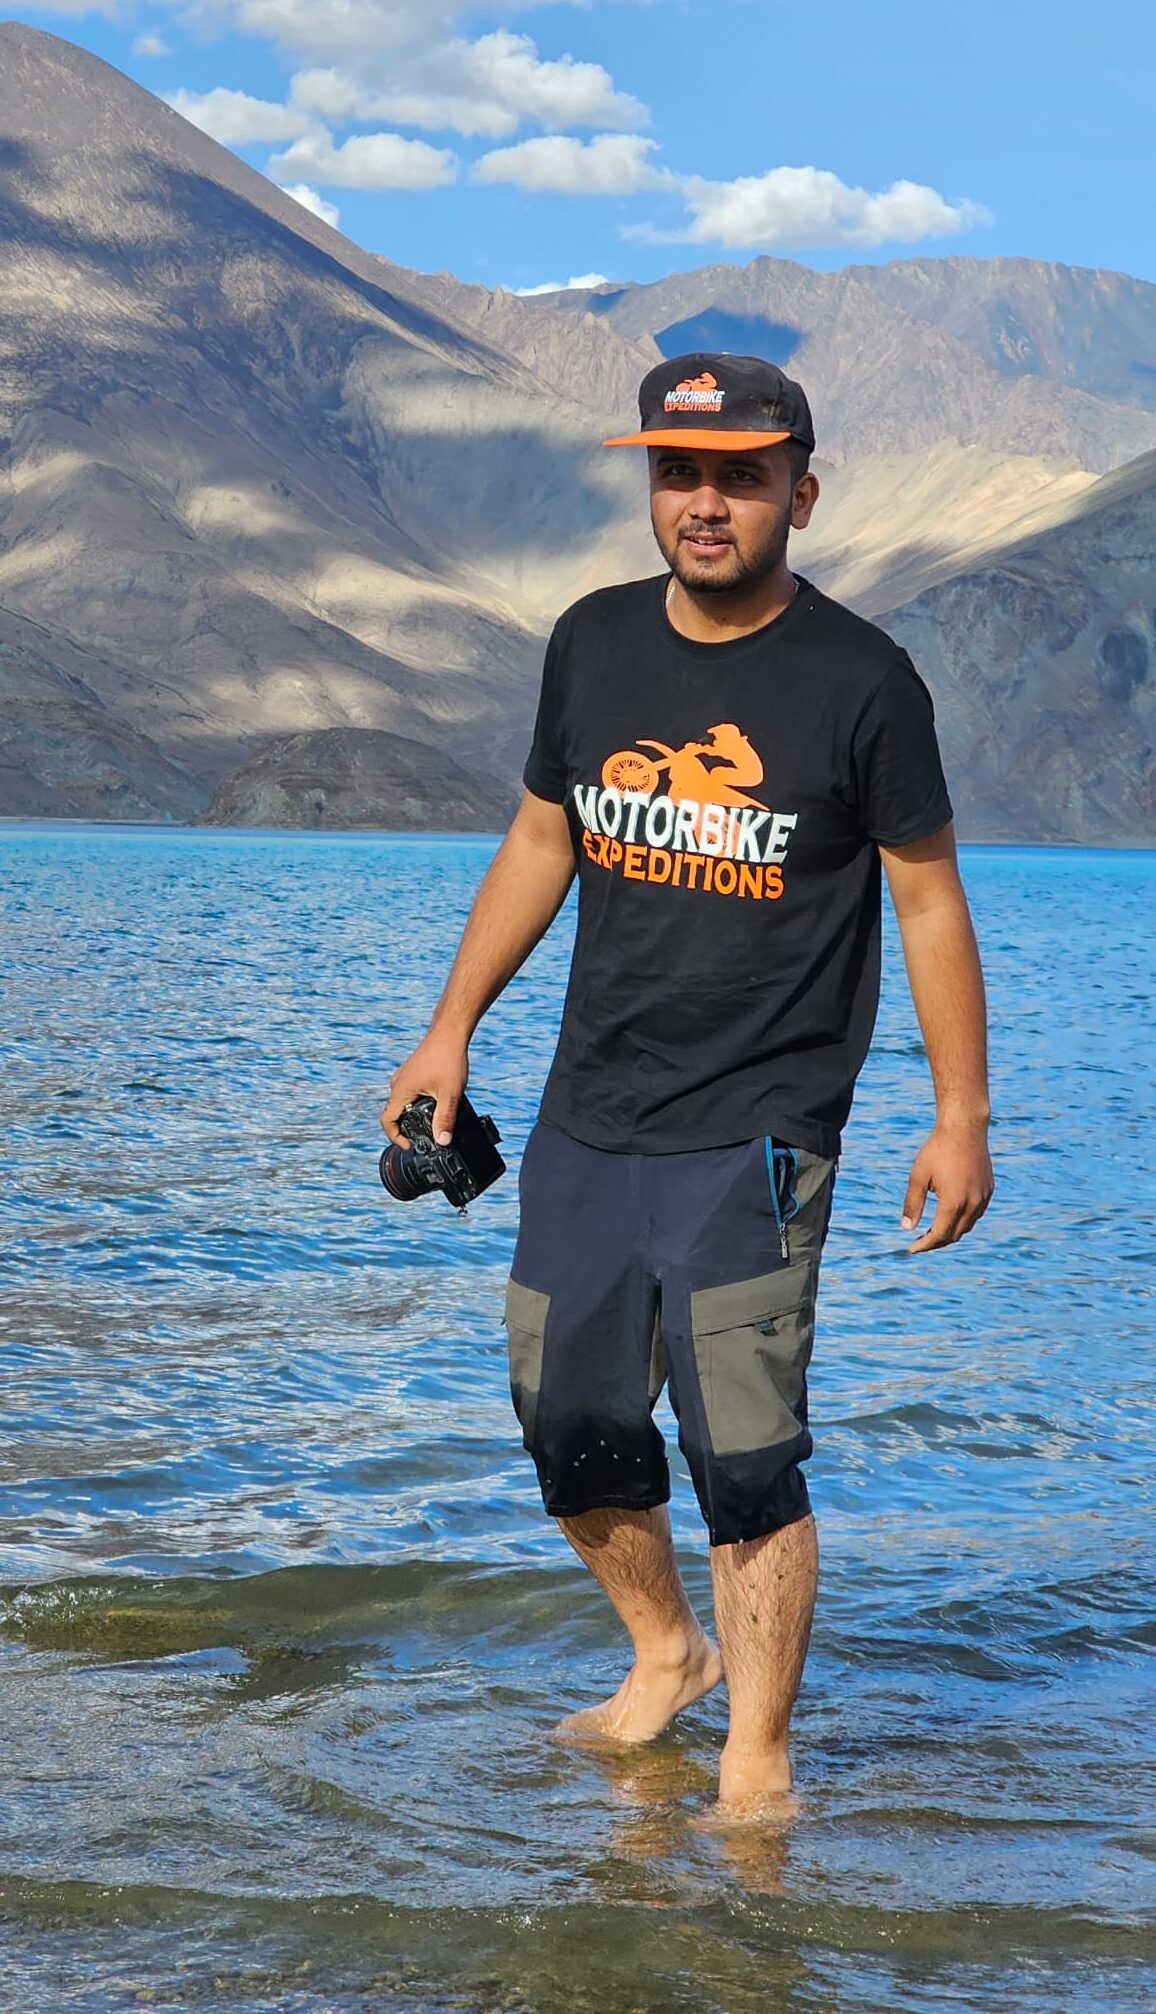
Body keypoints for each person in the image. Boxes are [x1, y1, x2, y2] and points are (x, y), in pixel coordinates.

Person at [382, 352, 994, 1820]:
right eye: (677, 471)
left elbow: (927, 902)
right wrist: (448, 1028)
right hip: (591, 1109)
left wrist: (961, 1109)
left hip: (760, 1130)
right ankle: (669, 1652)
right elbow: (543, 843)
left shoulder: (862, 682)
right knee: (568, 1416)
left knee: (742, 1447)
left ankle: (758, 1758)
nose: (704, 502)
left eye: (739, 474)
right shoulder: (590, 644)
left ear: (802, 490)